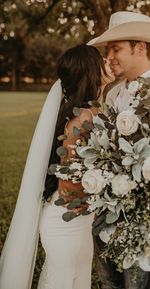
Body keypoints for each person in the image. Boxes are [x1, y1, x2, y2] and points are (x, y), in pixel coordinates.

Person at [0, 44, 114, 289]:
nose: (108, 62)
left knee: (77, 281)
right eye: (101, 61)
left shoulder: (90, 111)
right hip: (66, 224)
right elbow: (68, 190)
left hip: (79, 222)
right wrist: (109, 188)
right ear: (92, 71)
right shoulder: (80, 121)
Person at [88, 11, 150, 289]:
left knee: (140, 284)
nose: (108, 58)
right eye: (108, 50)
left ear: (140, 48)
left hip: (142, 214)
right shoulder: (114, 92)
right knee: (109, 282)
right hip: (106, 207)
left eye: (115, 49)